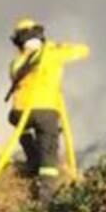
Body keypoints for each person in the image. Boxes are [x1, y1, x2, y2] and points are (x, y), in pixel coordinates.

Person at [6, 19, 89, 200]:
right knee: (49, 145)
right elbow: (83, 50)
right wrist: (58, 45)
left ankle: (32, 158)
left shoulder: (16, 63)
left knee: (17, 122)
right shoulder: (53, 54)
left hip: (20, 112)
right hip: (45, 110)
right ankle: (47, 191)